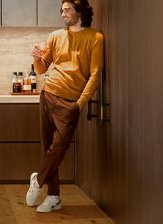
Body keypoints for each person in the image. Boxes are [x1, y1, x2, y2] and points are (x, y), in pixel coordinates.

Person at [27, 0, 103, 212]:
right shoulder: (55, 36)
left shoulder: (95, 38)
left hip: (71, 102)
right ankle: (53, 197)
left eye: (67, 9)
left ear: (80, 10)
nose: (62, 13)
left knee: (59, 147)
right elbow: (42, 69)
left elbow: (96, 74)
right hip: (48, 94)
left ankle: (38, 180)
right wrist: (36, 58)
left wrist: (80, 103)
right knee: (48, 147)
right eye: (61, 10)